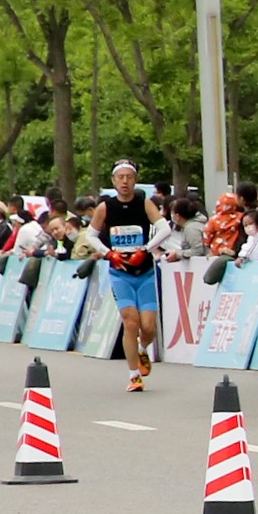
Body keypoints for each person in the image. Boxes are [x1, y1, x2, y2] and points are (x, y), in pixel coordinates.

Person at [90, 160, 165, 391]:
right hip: (120, 273)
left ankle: (143, 350)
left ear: (135, 180)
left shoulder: (144, 203)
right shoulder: (105, 207)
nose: (125, 181)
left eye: (129, 177)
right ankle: (134, 376)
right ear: (113, 181)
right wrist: (109, 253)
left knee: (149, 327)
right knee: (130, 322)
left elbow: (165, 228)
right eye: (120, 177)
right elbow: (91, 236)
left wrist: (145, 249)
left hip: (145, 272)